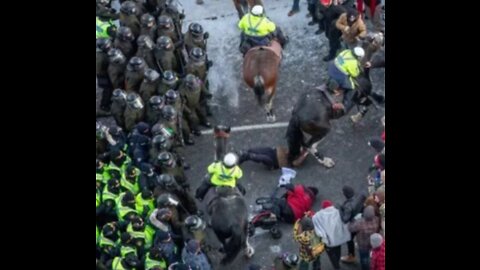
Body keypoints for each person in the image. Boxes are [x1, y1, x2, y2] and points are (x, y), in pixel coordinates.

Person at [327, 46, 365, 114]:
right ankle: (345, 105)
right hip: (339, 74)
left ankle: (330, 84)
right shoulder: (353, 62)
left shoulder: (346, 51)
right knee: (352, 88)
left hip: (332, 66)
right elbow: (354, 74)